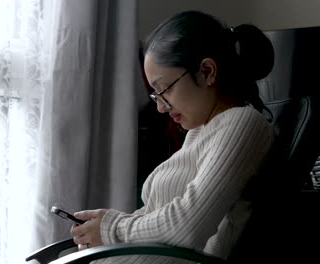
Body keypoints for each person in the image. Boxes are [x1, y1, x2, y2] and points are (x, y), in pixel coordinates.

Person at [69, 10, 277, 263]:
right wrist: (102, 231)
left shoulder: (242, 124)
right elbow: (161, 217)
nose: (161, 107)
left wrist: (112, 229)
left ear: (207, 72)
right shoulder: (202, 130)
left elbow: (187, 225)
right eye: (155, 95)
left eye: (164, 89)